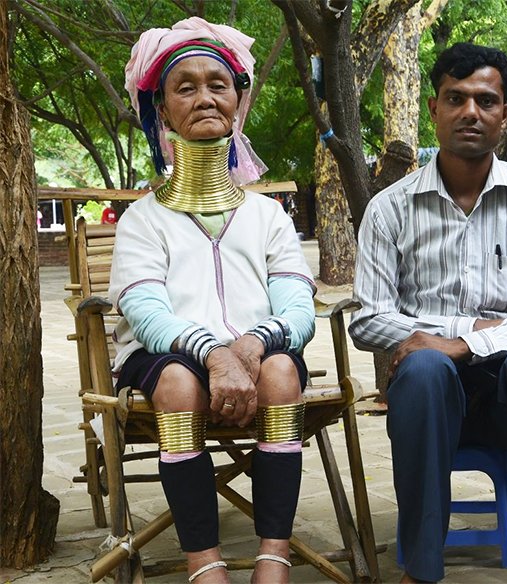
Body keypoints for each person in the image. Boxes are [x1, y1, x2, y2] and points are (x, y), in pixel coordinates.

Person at [349, 43, 507, 584]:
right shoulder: (390, 208)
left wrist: (468, 343)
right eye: (455, 98)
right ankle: (421, 564)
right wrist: (459, 334)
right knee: (423, 368)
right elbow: (368, 318)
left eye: (486, 101)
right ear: (433, 109)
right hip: (427, 400)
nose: (470, 112)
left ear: (506, 114)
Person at [110, 17, 316, 584]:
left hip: (257, 352)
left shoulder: (268, 215)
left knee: (280, 373)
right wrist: (213, 355)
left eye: (218, 84)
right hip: (170, 360)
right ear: (161, 112)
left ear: (237, 104)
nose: (205, 97)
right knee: (178, 384)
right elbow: (147, 315)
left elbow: (299, 308)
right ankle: (205, 564)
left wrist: (249, 345)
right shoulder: (141, 220)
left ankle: (273, 556)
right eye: (185, 86)